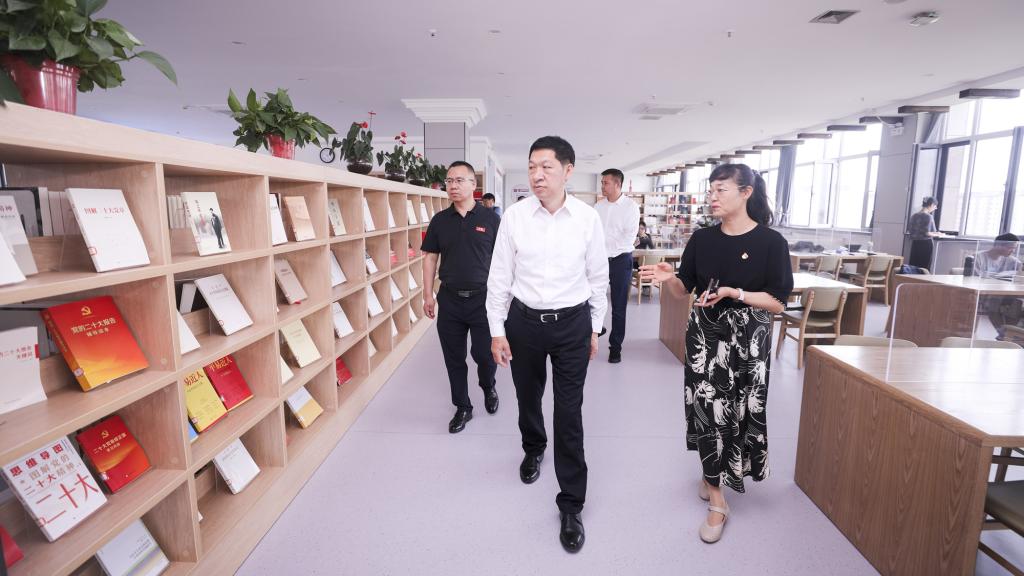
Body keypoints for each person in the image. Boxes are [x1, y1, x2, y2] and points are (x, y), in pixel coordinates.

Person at [640, 163, 792, 544]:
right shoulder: (702, 239)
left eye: (720, 190)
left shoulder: (771, 243)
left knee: (739, 411)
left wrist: (734, 292)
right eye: (710, 190)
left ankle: (719, 473)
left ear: (746, 193)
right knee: (707, 410)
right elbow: (684, 289)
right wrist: (669, 279)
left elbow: (777, 302)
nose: (712, 197)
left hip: (750, 340)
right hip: (706, 337)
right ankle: (717, 496)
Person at [487, 136, 608, 553]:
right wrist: (497, 330)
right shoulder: (515, 217)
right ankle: (534, 447)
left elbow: (598, 278)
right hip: (524, 323)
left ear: (568, 170)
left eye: (546, 167)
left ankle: (571, 503)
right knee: (528, 395)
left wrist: (595, 328)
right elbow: (499, 277)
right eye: (532, 167)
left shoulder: (587, 219)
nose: (537, 175)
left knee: (569, 411)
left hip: (572, 324)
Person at [422, 161, 501, 433]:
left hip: (483, 300)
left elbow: (504, 261)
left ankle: (488, 386)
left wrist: (505, 299)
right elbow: (430, 258)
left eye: (459, 180)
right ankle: (463, 406)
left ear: (473, 185)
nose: (452, 185)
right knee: (453, 358)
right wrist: (428, 295)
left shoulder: (491, 219)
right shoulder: (440, 221)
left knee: (484, 355)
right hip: (450, 300)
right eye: (449, 181)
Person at [594, 168, 641, 363]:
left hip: (621, 260)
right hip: (599, 260)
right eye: (602, 182)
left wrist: (605, 245)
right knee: (590, 299)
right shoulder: (598, 207)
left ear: (617, 184)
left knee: (619, 306)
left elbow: (628, 237)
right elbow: (593, 233)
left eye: (605, 182)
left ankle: (615, 347)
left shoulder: (631, 207)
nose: (602, 186)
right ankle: (595, 329)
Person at [974, 233, 1023, 339]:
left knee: (1018, 302)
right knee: (995, 301)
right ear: (998, 245)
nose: (1013, 251)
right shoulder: (979, 257)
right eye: (1010, 248)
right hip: (985, 293)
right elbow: (975, 278)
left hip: (1004, 294)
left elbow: (1021, 270)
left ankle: (1008, 333)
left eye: (1014, 248)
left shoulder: (1012, 260)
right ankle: (1003, 333)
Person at [907, 196, 948, 268]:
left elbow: (912, 230)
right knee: (924, 267)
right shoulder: (928, 216)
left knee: (913, 266)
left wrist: (937, 233)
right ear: (931, 205)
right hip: (925, 244)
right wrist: (939, 235)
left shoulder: (914, 216)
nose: (935, 208)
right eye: (935, 206)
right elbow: (927, 233)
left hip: (915, 244)